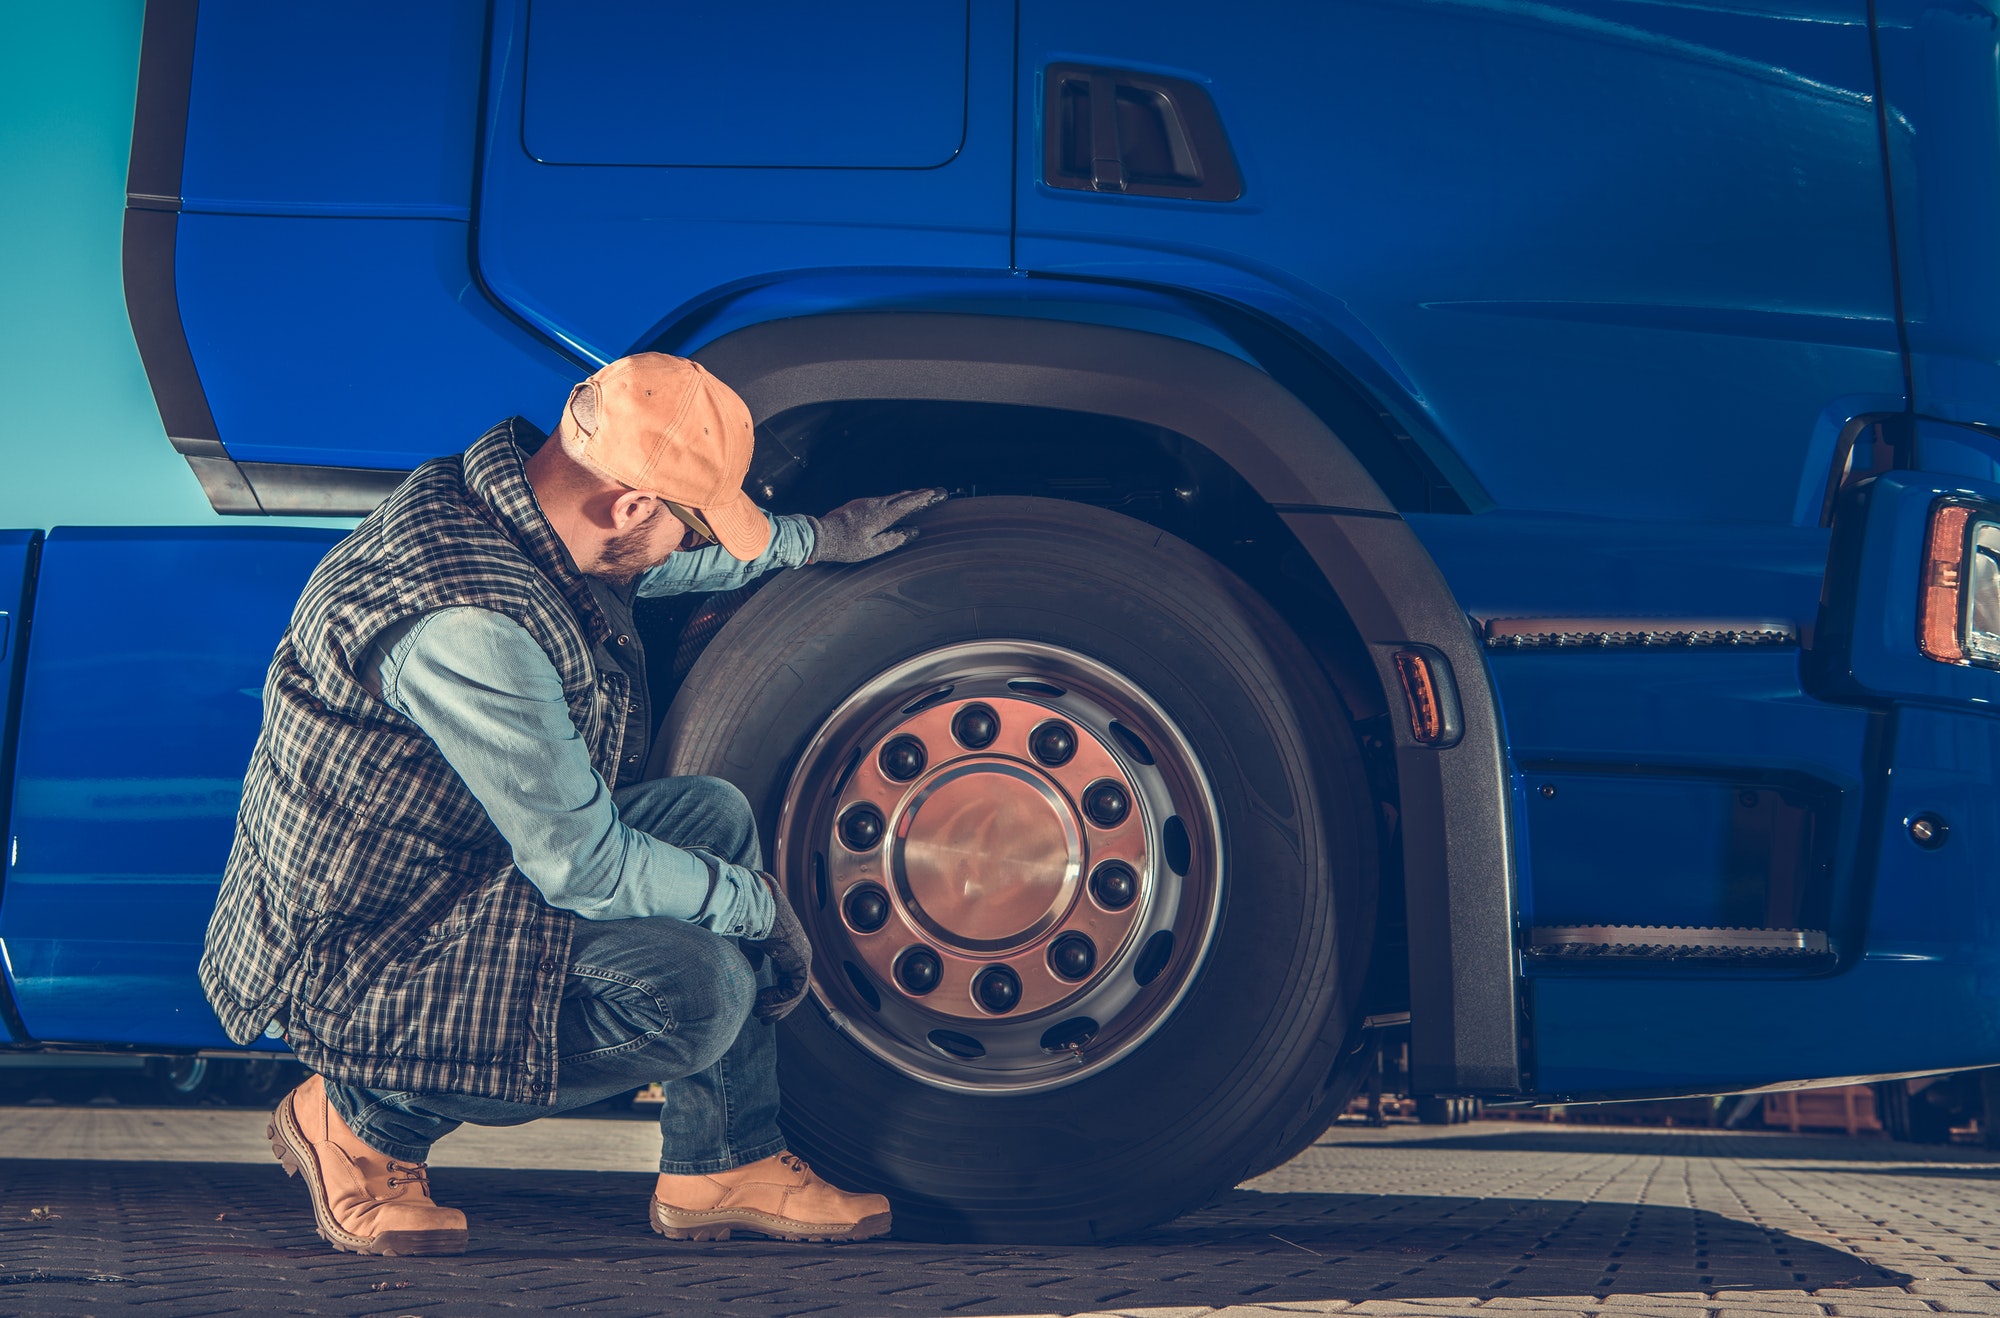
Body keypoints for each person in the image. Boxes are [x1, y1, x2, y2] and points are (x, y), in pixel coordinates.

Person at [200, 351, 942, 1255]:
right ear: (631, 506)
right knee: (695, 996)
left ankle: (723, 1160)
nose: (696, 544)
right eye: (693, 525)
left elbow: (651, 570)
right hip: (366, 945)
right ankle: (356, 1118)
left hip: (455, 869)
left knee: (710, 813)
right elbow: (581, 866)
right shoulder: (470, 626)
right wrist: (759, 906)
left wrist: (816, 539)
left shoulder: (509, 509)